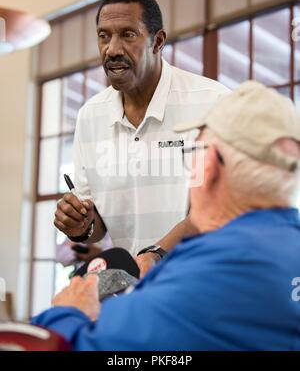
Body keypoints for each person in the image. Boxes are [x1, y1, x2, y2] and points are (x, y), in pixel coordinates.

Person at [32, 81, 300, 350]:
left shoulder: (206, 275)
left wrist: (69, 312)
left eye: (195, 152)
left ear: (208, 167)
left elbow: (86, 346)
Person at [54, 0, 229, 277]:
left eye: (127, 34)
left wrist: (157, 254)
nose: (112, 49)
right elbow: (97, 226)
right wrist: (80, 225)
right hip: (134, 286)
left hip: (205, 282)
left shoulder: (213, 102)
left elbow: (224, 207)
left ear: (157, 41)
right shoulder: (90, 116)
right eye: (103, 36)